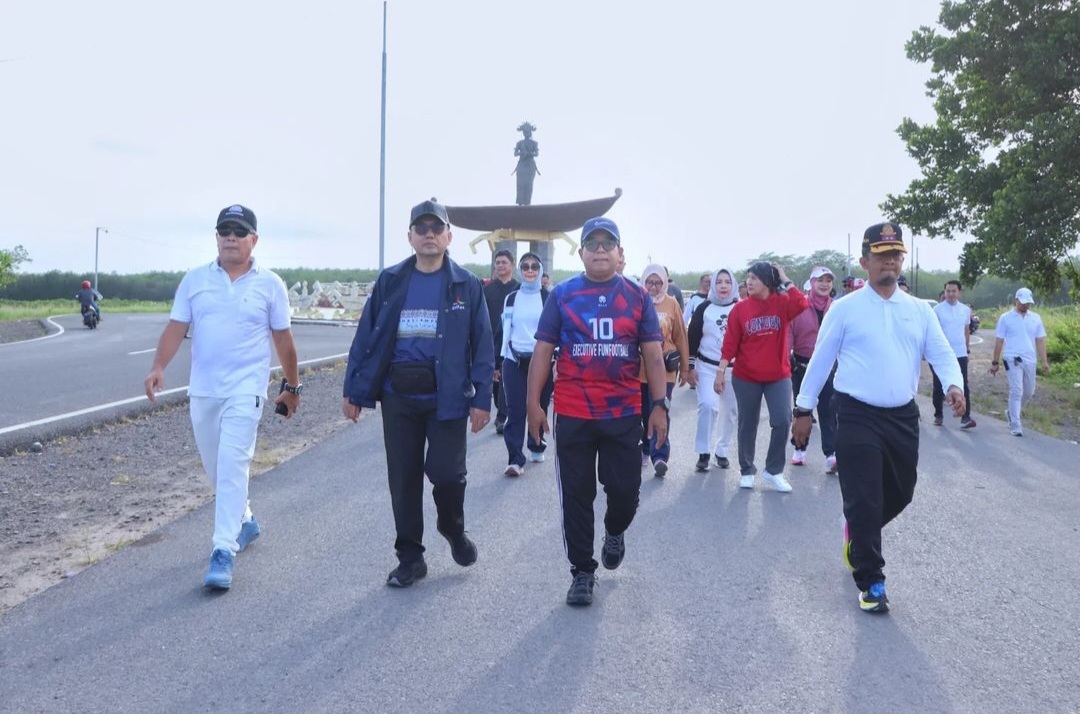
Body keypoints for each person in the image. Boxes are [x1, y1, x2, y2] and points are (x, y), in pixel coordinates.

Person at [792, 221, 965, 614]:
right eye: (882, 255)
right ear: (865, 261)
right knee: (866, 497)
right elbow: (820, 361)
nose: (890, 262)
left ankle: (858, 528)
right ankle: (871, 580)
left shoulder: (919, 309)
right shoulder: (845, 308)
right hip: (855, 414)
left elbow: (939, 352)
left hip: (902, 416)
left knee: (901, 492)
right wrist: (803, 409)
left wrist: (954, 385)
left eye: (896, 255)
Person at [144, 204, 300, 591]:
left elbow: (283, 340)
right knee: (216, 468)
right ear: (216, 237)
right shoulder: (195, 280)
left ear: (254, 240)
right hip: (204, 390)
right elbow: (176, 327)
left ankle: (222, 550)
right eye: (224, 230)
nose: (231, 237)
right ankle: (244, 521)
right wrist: (158, 366)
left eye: (239, 231)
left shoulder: (270, 284)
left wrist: (292, 387)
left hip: (246, 390)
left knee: (232, 463)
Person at [342, 198, 494, 588]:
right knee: (403, 478)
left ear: (448, 235)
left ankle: (452, 527)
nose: (429, 235)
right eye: (421, 229)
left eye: (435, 229)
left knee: (447, 475)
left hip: (446, 398)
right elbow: (366, 337)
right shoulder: (391, 281)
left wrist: (481, 400)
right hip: (399, 397)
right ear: (410, 236)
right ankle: (410, 558)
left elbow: (483, 344)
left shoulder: (466, 285)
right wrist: (354, 390)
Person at [527, 216, 668, 607]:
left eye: (609, 244)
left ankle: (615, 530)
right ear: (582, 252)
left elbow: (653, 356)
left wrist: (659, 406)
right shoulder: (563, 295)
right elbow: (542, 351)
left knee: (624, 492)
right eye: (593, 243)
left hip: (622, 413)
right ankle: (582, 572)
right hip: (573, 412)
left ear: (621, 254)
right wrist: (533, 404)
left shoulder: (637, 298)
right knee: (576, 494)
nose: (601, 249)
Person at [715, 262, 808, 492]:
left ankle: (773, 470)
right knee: (748, 423)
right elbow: (730, 344)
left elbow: (801, 303)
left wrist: (785, 278)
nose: (750, 282)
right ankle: (747, 470)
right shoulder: (740, 309)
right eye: (748, 278)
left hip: (778, 374)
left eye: (755, 278)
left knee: (782, 419)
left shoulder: (782, 303)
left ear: (768, 281)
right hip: (746, 376)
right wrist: (720, 370)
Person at [498, 252, 553, 476]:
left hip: (540, 362)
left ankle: (536, 445)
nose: (530, 271)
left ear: (540, 270)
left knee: (538, 405)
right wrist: (498, 359)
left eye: (534, 267)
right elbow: (504, 330)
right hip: (513, 359)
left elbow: (556, 332)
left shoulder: (549, 297)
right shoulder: (511, 298)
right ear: (520, 270)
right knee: (516, 409)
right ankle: (515, 459)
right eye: (526, 267)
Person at [686, 267, 739, 472]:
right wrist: (690, 367)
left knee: (730, 411)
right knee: (708, 405)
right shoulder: (704, 308)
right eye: (719, 282)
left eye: (727, 282)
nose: (723, 286)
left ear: (733, 284)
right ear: (713, 285)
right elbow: (692, 338)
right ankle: (703, 451)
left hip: (734, 370)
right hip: (706, 366)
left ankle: (722, 451)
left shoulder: (740, 308)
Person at [639, 263, 689, 477]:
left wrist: (685, 368)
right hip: (638, 371)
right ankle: (644, 448)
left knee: (661, 410)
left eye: (659, 282)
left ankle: (659, 455)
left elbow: (680, 336)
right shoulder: (636, 301)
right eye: (650, 282)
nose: (654, 287)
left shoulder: (671, 304)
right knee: (642, 413)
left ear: (665, 283)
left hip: (665, 370)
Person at [788, 266, 838, 472]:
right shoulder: (799, 306)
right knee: (802, 410)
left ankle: (831, 454)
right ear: (811, 283)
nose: (824, 284)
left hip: (829, 368)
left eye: (828, 280)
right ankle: (799, 449)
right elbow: (789, 334)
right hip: (802, 365)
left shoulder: (837, 308)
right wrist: (785, 360)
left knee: (828, 411)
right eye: (820, 280)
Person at [989, 287, 1049, 437]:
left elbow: (1040, 340)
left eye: (1028, 303)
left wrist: (1045, 361)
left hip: (1030, 359)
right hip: (1012, 358)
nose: (1026, 305)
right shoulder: (1006, 318)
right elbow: (999, 340)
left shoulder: (1035, 318)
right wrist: (995, 362)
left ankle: (1011, 412)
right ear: (1016, 300)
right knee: (1017, 391)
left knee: (1029, 391)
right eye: (1023, 302)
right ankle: (1016, 424)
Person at [485, 249, 520, 435]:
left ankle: (502, 416)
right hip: (491, 341)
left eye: (504, 262)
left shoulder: (519, 290)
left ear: (512, 266)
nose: (500, 266)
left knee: (506, 378)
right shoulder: (488, 290)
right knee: (495, 381)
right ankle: (500, 408)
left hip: (511, 343)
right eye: (497, 262)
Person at [931, 280, 975, 428]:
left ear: (959, 293)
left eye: (953, 291)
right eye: (948, 291)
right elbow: (934, 333)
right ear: (944, 292)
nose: (950, 294)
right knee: (939, 385)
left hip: (960, 353)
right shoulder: (937, 310)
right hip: (942, 354)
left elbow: (966, 331)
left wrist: (967, 349)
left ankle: (966, 417)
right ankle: (938, 414)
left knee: (964, 385)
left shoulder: (965, 310)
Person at [513, 122, 540, 205]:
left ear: (530, 132)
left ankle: (527, 202)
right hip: (521, 165)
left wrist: (528, 154)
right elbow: (515, 154)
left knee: (528, 184)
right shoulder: (519, 143)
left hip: (530, 165)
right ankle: (520, 202)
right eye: (525, 132)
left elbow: (536, 154)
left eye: (528, 132)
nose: (526, 133)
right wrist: (522, 153)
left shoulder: (534, 143)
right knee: (520, 184)